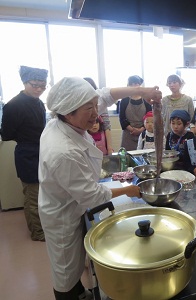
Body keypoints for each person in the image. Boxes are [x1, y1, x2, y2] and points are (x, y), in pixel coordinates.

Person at [38, 77, 161, 299]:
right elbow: (93, 196)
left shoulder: (65, 119)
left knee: (72, 267)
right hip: (62, 215)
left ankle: (80, 293)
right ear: (68, 112)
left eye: (95, 105)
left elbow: (106, 95)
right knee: (65, 271)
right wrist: (128, 190)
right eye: (90, 108)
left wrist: (142, 91)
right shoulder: (63, 151)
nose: (96, 113)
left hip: (71, 201)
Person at [0, 65, 48, 241]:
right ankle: (38, 232)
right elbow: (6, 134)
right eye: (35, 85)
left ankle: (44, 226)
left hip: (41, 152)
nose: (39, 89)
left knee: (44, 194)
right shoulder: (13, 105)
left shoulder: (39, 102)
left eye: (43, 86)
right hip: (27, 155)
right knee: (33, 197)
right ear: (24, 82)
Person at [119, 75, 152, 150]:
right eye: (132, 83)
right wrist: (132, 129)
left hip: (143, 132)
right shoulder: (124, 100)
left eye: (137, 83)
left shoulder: (146, 99)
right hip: (128, 133)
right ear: (129, 85)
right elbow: (122, 119)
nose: (135, 85)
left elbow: (150, 117)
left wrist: (141, 129)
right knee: (127, 157)